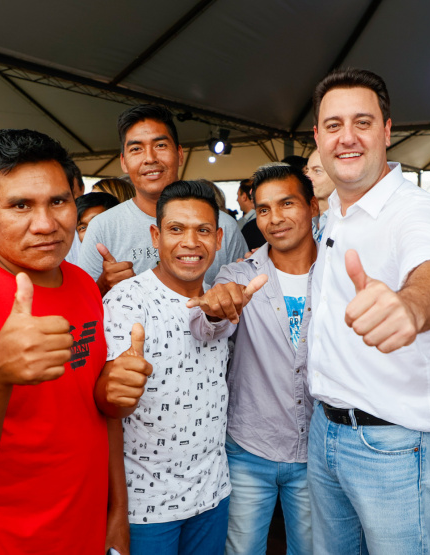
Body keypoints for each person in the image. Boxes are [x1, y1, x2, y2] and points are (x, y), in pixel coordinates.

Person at [0, 129, 134, 554]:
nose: (46, 224)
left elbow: (96, 415)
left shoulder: (83, 284)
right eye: (20, 205)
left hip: (84, 530)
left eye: (58, 201)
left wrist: (116, 513)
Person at [306, 68, 430, 554]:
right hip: (325, 431)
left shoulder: (415, 209)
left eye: (362, 122)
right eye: (333, 126)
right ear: (317, 136)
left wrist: (410, 307)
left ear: (387, 130)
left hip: (393, 445)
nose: (347, 138)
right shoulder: (337, 209)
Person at [189, 164, 318, 555]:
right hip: (249, 447)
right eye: (263, 209)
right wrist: (213, 311)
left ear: (313, 206)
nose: (275, 219)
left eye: (287, 204)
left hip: (318, 450)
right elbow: (207, 328)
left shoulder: (338, 273)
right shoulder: (236, 275)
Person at [103, 181, 232, 555]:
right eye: (176, 229)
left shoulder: (219, 301)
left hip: (212, 494)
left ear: (219, 238)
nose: (190, 242)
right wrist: (117, 510)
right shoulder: (127, 300)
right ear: (156, 236)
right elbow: (112, 414)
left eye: (203, 230)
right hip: (146, 506)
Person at [77, 104, 248, 295]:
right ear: (124, 162)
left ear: (179, 154)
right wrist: (102, 286)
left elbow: (246, 300)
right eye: (136, 149)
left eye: (160, 145)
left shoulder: (223, 226)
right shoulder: (103, 227)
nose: (150, 158)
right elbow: (79, 305)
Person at [306, 150, 334, 242]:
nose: (307, 177)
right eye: (307, 170)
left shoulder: (347, 220)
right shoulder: (305, 218)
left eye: (317, 171)